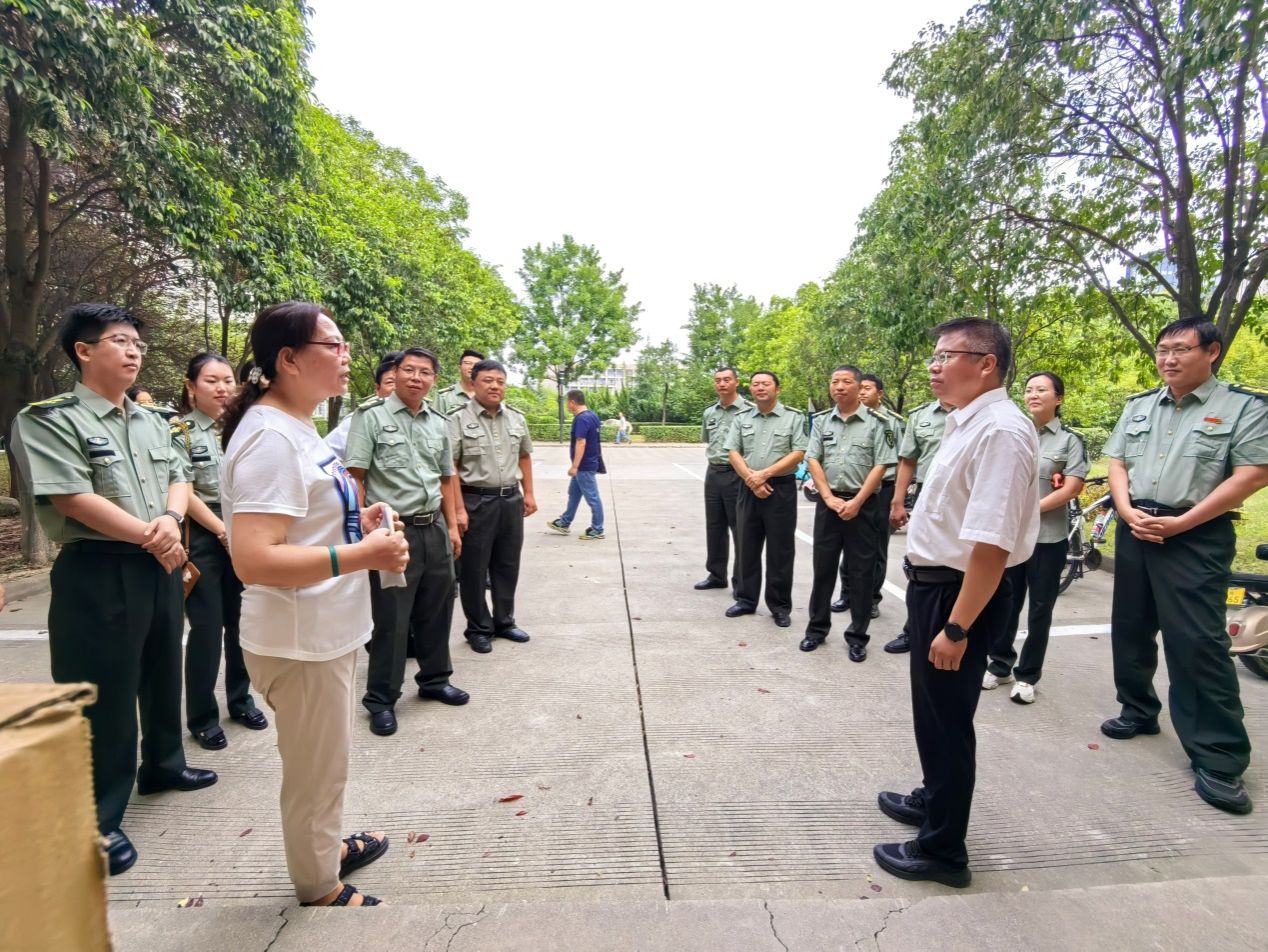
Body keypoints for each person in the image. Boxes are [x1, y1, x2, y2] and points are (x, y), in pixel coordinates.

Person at [10, 302, 216, 877]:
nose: (134, 352)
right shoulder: (48, 419)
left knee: (161, 671)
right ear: (83, 350)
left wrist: (171, 522)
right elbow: (71, 497)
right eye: (121, 341)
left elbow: (180, 477)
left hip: (161, 561)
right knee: (102, 695)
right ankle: (95, 821)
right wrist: (154, 536)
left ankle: (164, 765)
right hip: (100, 568)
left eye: (137, 344)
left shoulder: (156, 420)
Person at [221, 300, 409, 907]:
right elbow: (254, 558)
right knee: (315, 773)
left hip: (325, 629)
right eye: (334, 345)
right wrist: (362, 555)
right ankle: (319, 886)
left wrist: (361, 518)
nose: (346, 355)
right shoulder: (271, 439)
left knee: (327, 762)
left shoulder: (296, 426)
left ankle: (323, 849)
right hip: (300, 639)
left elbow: (306, 519)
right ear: (289, 359)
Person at [873, 317, 1039, 889]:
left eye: (948, 355)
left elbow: (991, 544)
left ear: (986, 364)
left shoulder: (1002, 432)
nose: (934, 365)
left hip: (960, 593)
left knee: (947, 722)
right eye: (935, 355)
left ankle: (943, 851)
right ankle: (934, 797)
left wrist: (959, 627)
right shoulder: (967, 421)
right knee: (932, 713)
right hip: (936, 586)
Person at [1100, 316, 1268, 815]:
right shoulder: (1139, 406)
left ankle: (1218, 757)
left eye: (1180, 349)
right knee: (1131, 628)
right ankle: (1137, 709)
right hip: (1137, 526)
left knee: (1197, 642)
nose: (1168, 359)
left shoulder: (1243, 407)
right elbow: (1117, 463)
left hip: (1195, 534)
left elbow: (1253, 474)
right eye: (1162, 349)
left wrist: (1183, 523)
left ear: (1211, 352)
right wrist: (1125, 510)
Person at [345, 347, 468, 737]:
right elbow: (356, 476)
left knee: (438, 608)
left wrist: (452, 526)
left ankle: (435, 680)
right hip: (394, 531)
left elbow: (446, 478)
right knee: (392, 618)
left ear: (434, 379)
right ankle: (381, 699)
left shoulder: (439, 422)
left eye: (425, 372)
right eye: (409, 370)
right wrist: (363, 530)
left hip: (434, 527)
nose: (417, 377)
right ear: (395, 374)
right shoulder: (371, 417)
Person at [175, 352, 268, 751]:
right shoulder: (180, 432)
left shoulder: (246, 428)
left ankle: (241, 700)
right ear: (191, 386)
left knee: (241, 622)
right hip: (203, 534)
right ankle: (202, 717)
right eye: (211, 381)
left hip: (244, 528)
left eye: (228, 380)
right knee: (208, 629)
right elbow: (182, 489)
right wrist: (221, 530)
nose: (222, 388)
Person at [984, 371, 1087, 703]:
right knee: (1006, 602)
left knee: (1040, 608)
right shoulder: (1016, 433)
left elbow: (1071, 488)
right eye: (1029, 390)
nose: (1033, 395)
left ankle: (1027, 676)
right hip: (1012, 536)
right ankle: (1000, 665)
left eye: (1041, 390)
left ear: (1058, 398)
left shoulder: (1069, 441)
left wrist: (1028, 510)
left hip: (1047, 538)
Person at [801, 366, 895, 659]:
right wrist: (828, 497)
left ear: (858, 386)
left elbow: (881, 465)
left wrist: (857, 502)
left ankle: (857, 637)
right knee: (823, 570)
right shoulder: (820, 421)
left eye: (846, 382)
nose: (839, 387)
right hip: (828, 506)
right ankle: (816, 630)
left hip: (864, 507)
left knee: (862, 573)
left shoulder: (878, 423)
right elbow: (813, 459)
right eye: (835, 382)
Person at [449, 359, 538, 653]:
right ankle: (478, 628)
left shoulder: (516, 418)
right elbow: (451, 467)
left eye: (500, 381)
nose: (495, 386)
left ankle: (504, 621)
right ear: (473, 383)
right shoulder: (457, 419)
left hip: (510, 500)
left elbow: (524, 456)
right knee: (474, 569)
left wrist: (529, 493)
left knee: (507, 564)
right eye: (488, 380)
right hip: (476, 501)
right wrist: (458, 509)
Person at [724, 371, 807, 628]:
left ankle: (779, 606)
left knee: (780, 551)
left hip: (780, 489)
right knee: (746, 546)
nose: (760, 388)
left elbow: (799, 452)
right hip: (748, 487)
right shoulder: (742, 418)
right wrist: (752, 478)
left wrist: (765, 475)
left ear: (777, 389)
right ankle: (746, 600)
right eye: (756, 384)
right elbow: (732, 451)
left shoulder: (793, 417)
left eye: (766, 384)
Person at [884, 395, 954, 653]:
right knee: (920, 563)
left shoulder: (975, 410)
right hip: (927, 492)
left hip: (964, 493)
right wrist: (898, 500)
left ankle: (955, 632)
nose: (937, 376)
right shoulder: (920, 416)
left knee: (959, 566)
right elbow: (908, 460)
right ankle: (914, 631)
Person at [834, 374, 904, 618]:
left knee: (876, 547)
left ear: (880, 394)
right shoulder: (847, 418)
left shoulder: (891, 422)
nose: (862, 392)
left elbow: (900, 459)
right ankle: (846, 594)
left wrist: (898, 496)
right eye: (860, 388)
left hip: (882, 490)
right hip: (854, 489)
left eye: (868, 388)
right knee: (847, 543)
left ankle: (871, 598)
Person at [694, 366, 751, 593]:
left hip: (737, 474)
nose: (722, 384)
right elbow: (708, 439)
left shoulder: (750, 411)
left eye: (727, 379)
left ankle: (741, 581)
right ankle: (717, 575)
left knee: (740, 528)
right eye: (718, 380)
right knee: (715, 525)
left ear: (737, 382)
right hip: (713, 472)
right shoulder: (710, 413)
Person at [547, 390, 606, 541]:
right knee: (573, 494)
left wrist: (574, 466)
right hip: (587, 463)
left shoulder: (581, 419)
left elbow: (581, 442)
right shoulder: (593, 416)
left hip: (584, 466)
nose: (567, 405)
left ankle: (597, 529)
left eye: (567, 402)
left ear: (572, 402)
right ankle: (564, 522)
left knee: (593, 497)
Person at [324, 351, 400, 460]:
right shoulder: (360, 420)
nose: (397, 388)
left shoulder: (425, 420)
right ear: (377, 389)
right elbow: (324, 456)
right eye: (390, 382)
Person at [432, 348, 485, 415]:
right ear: (459, 368)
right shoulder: (443, 396)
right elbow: (435, 420)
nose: (472, 367)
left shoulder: (488, 396)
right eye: (468, 363)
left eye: (477, 365)